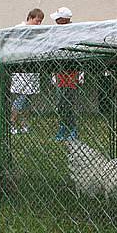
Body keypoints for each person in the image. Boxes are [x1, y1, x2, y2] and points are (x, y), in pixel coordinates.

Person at [10, 8, 44, 134]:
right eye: (37, 21)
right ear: (30, 17)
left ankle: (24, 124)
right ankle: (12, 123)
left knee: (28, 100)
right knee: (20, 97)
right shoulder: (19, 29)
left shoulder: (37, 31)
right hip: (21, 69)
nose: (38, 24)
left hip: (32, 69)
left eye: (40, 22)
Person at [51, 7, 81, 140]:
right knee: (60, 103)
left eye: (58, 18)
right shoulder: (58, 31)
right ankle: (63, 127)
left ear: (65, 19)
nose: (56, 20)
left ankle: (72, 129)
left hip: (71, 73)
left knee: (69, 102)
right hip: (59, 71)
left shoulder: (73, 31)